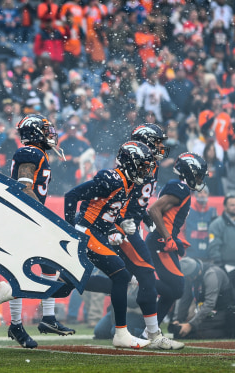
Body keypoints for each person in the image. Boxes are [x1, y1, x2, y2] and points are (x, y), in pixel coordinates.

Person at [0, 114, 74, 349]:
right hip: (23, 218)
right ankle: (30, 321)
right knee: (24, 269)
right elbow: (24, 188)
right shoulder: (31, 153)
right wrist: (41, 217)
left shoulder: (39, 153)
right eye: (45, 130)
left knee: (48, 264)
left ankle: (45, 319)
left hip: (24, 217)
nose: (50, 134)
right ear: (35, 133)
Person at [65, 141, 155, 349]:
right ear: (129, 163)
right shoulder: (111, 179)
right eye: (141, 165)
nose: (144, 170)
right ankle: (121, 333)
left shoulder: (128, 183)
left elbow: (104, 216)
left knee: (65, 285)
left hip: (95, 231)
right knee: (121, 275)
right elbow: (72, 195)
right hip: (85, 230)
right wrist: (69, 229)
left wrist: (115, 230)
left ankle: (13, 291)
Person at [113, 124, 185, 350]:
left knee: (122, 277)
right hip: (122, 226)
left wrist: (141, 215)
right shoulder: (135, 162)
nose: (162, 146)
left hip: (130, 223)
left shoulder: (150, 164)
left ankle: (143, 332)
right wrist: (122, 218)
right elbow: (120, 190)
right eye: (158, 141)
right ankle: (151, 334)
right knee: (141, 275)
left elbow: (138, 198)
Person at [146, 152, 208, 326]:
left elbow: (167, 218)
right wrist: (168, 237)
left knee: (173, 290)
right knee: (176, 287)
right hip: (160, 242)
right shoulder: (180, 188)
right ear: (189, 172)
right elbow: (154, 210)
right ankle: (139, 280)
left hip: (162, 240)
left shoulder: (181, 188)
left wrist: (176, 238)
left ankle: (150, 331)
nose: (199, 179)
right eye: (197, 175)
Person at [169, 257, 234, 339]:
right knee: (182, 332)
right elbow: (185, 300)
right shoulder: (190, 277)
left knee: (197, 330)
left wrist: (190, 325)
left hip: (224, 312)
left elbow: (210, 304)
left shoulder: (211, 274)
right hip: (210, 313)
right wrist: (178, 320)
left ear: (193, 275)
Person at [183, 186, 217, 261]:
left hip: (208, 253)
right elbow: (182, 231)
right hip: (191, 252)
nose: (202, 194)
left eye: (205, 192)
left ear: (208, 194)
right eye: (200, 192)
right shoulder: (188, 211)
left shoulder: (213, 212)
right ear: (195, 195)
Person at [209, 193, 235, 288]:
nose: (234, 207)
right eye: (232, 205)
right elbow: (214, 246)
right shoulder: (216, 224)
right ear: (225, 206)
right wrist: (220, 266)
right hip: (226, 267)